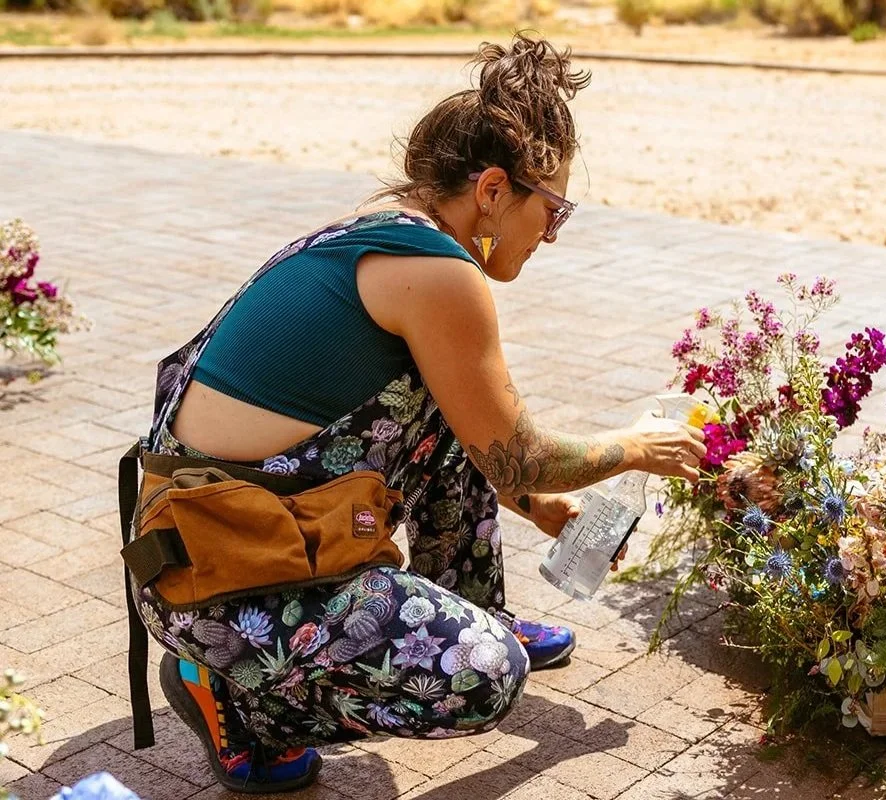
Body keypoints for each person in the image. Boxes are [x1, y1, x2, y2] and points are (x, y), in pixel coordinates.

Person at [136, 33, 707, 793]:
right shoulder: (440, 275)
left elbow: (479, 438)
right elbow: (523, 453)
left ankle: (475, 607)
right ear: (495, 190)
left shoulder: (382, 232)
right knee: (483, 677)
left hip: (210, 544)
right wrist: (634, 447)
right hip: (222, 590)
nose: (553, 236)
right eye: (555, 210)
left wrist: (537, 507)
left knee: (450, 413)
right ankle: (242, 705)